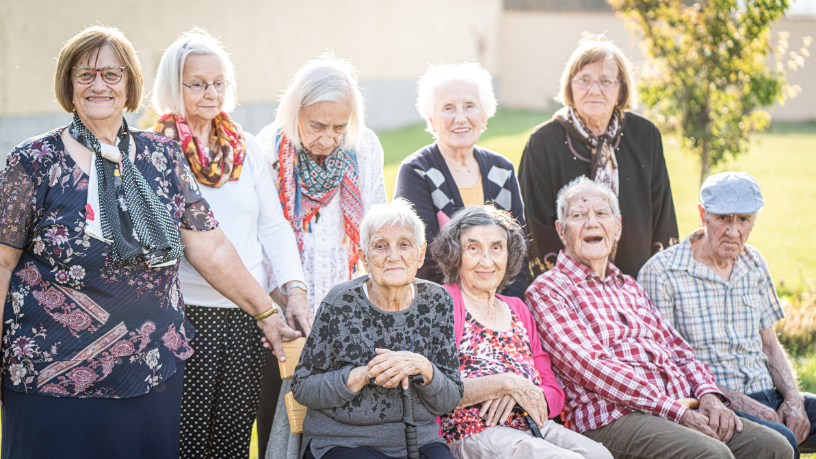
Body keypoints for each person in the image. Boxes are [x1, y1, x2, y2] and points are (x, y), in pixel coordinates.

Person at [0, 25, 301, 459]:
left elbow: (210, 246)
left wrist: (267, 314)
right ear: (68, 84)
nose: (98, 85)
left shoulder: (161, 157)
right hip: (52, 375)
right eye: (85, 75)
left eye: (111, 74)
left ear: (130, 86)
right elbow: (4, 264)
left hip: (149, 370)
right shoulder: (33, 161)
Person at [525, 177, 793, 458]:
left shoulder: (628, 286)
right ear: (561, 229)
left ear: (617, 228)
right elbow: (594, 368)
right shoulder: (548, 291)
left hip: (678, 406)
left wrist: (708, 395)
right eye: (579, 215)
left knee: (774, 447)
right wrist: (674, 410)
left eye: (602, 214)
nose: (592, 223)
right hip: (612, 418)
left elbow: (679, 350)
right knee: (711, 454)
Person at [150, 29, 311, 459]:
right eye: (198, 83)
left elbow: (273, 227)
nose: (211, 92)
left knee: (232, 440)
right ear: (173, 85)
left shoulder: (245, 148)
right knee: (183, 439)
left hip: (249, 317)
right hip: (185, 317)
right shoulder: (155, 151)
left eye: (219, 82)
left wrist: (295, 290)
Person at [254, 53, 388, 457]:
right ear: (294, 111)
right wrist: (281, 304)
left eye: (339, 127)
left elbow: (375, 225)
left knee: (334, 427)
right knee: (276, 421)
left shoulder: (363, 147)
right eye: (317, 125)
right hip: (280, 314)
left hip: (346, 312)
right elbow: (260, 237)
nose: (329, 138)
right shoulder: (268, 149)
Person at [639, 171, 816, 458]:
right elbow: (669, 367)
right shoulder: (661, 273)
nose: (734, 231)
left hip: (768, 392)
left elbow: (769, 345)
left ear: (754, 220)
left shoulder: (754, 261)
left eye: (743, 220)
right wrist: (747, 405)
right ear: (703, 214)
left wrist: (794, 400)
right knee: (781, 440)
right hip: (718, 404)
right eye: (724, 219)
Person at [430, 205, 612, 459]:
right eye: (473, 248)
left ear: (508, 253)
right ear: (456, 253)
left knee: (600, 456)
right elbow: (435, 388)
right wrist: (504, 383)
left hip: (534, 424)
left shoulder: (517, 309)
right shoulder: (443, 303)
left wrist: (522, 393)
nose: (486, 260)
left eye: (496, 247)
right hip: (473, 431)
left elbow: (554, 393)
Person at [291, 198, 463, 459]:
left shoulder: (436, 301)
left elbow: (449, 398)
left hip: (419, 440)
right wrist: (362, 375)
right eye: (380, 246)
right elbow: (303, 386)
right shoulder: (341, 302)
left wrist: (423, 367)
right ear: (364, 258)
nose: (393, 255)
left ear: (419, 253)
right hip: (344, 442)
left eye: (404, 244)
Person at [518, 35, 678, 280]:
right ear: (570, 85)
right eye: (584, 80)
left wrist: (658, 280)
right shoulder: (543, 142)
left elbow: (662, 216)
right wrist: (565, 284)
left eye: (605, 81)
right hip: (566, 290)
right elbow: (535, 225)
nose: (594, 90)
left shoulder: (646, 136)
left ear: (621, 87)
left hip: (635, 285)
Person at [395, 63, 529, 299]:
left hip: (501, 303)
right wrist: (470, 308)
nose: (460, 118)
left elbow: (519, 251)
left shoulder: (502, 170)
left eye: (469, 106)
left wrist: (507, 304)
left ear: (484, 115)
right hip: (442, 307)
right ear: (432, 120)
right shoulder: (417, 172)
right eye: (448, 108)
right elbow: (422, 261)